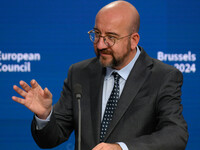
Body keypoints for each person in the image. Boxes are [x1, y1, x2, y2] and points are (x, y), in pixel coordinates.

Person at [12, 1, 189, 150]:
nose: (101, 44)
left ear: (133, 40)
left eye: (111, 37)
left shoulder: (162, 76)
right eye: (97, 34)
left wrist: (121, 148)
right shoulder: (79, 73)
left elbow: (176, 134)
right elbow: (51, 139)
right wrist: (45, 116)